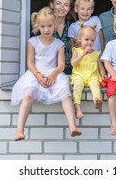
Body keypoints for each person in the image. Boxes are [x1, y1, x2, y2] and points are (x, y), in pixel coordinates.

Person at [11, 7, 81, 141]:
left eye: (49, 26)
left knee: (65, 93)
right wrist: (37, 75)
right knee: (28, 94)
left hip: (53, 72)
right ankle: (19, 129)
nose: (46, 29)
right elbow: (30, 62)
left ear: (54, 25)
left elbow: (61, 65)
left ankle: (72, 126)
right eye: (43, 26)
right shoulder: (33, 42)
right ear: (38, 26)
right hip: (36, 73)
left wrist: (53, 75)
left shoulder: (59, 44)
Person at [70, 25, 107, 119]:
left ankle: (97, 100)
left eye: (92, 40)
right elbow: (73, 63)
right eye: (86, 39)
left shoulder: (96, 53)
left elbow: (101, 67)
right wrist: (83, 54)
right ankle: (77, 107)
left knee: (95, 85)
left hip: (92, 76)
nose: (89, 42)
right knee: (77, 86)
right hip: (79, 75)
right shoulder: (76, 51)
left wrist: (103, 75)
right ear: (79, 39)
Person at [49, 0, 76, 74]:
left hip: (71, 73)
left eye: (66, 5)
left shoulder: (74, 27)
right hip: (49, 72)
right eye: (58, 3)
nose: (62, 7)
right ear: (51, 5)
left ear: (69, 8)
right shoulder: (44, 27)